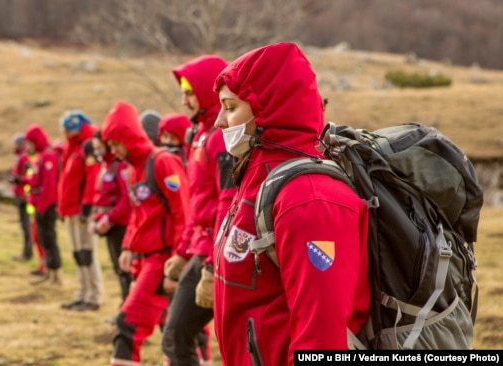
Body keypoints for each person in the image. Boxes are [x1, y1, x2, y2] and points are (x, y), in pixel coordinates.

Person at [210, 42, 371, 365]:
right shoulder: (256, 180)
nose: (218, 122)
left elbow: (322, 338)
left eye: (230, 107)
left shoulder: (310, 199)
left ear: (267, 107)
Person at [101, 101, 190, 366]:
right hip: (144, 259)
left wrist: (177, 266)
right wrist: (128, 246)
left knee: (127, 324)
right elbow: (138, 214)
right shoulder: (131, 170)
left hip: (162, 261)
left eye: (117, 144)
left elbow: (183, 215)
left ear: (129, 137)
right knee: (171, 329)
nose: (114, 152)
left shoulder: (162, 162)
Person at [161, 55, 236, 366]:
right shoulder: (201, 135)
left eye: (190, 92)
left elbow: (227, 202)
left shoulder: (219, 138)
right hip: (202, 249)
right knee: (177, 337)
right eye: (183, 93)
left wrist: (210, 265)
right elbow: (198, 204)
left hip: (214, 253)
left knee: (177, 336)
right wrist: (181, 250)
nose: (184, 100)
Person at [56, 109, 103, 312]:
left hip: (82, 209)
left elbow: (93, 177)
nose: (67, 132)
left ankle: (94, 295)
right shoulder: (72, 147)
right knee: (77, 253)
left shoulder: (87, 146)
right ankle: (82, 292)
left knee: (87, 252)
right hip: (70, 209)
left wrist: (87, 205)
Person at [90, 129, 133, 303]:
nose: (98, 152)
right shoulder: (105, 165)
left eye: (100, 148)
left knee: (125, 270)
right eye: (95, 149)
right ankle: (124, 307)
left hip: (120, 224)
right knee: (118, 269)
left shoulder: (120, 166)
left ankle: (128, 309)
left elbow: (126, 198)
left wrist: (109, 218)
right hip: (109, 224)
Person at [23, 124, 62, 285]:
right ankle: (48, 272)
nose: (29, 147)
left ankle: (56, 276)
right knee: (43, 240)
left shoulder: (48, 157)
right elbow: (37, 181)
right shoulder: (40, 157)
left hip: (48, 206)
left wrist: (42, 207)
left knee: (50, 239)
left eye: (31, 142)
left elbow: (48, 185)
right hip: (40, 205)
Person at [9, 132, 33, 262]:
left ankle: (27, 253)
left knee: (26, 226)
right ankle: (26, 252)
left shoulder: (24, 158)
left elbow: (30, 175)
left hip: (24, 197)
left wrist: (19, 180)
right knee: (25, 225)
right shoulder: (20, 157)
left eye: (14, 144)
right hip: (20, 194)